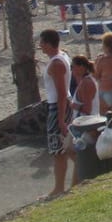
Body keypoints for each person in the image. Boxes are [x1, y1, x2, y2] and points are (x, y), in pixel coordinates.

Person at [38, 28, 74, 199]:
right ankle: (74, 180)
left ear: (47, 42)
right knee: (65, 147)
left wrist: (60, 119)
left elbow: (61, 92)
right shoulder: (60, 57)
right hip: (59, 104)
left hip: (58, 106)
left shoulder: (57, 63)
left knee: (58, 149)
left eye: (42, 43)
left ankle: (59, 187)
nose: (40, 46)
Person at [69, 55, 99, 119]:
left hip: (87, 124)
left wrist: (72, 105)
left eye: (72, 66)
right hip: (87, 122)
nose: (71, 69)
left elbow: (88, 110)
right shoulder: (86, 80)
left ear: (81, 67)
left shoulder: (86, 83)